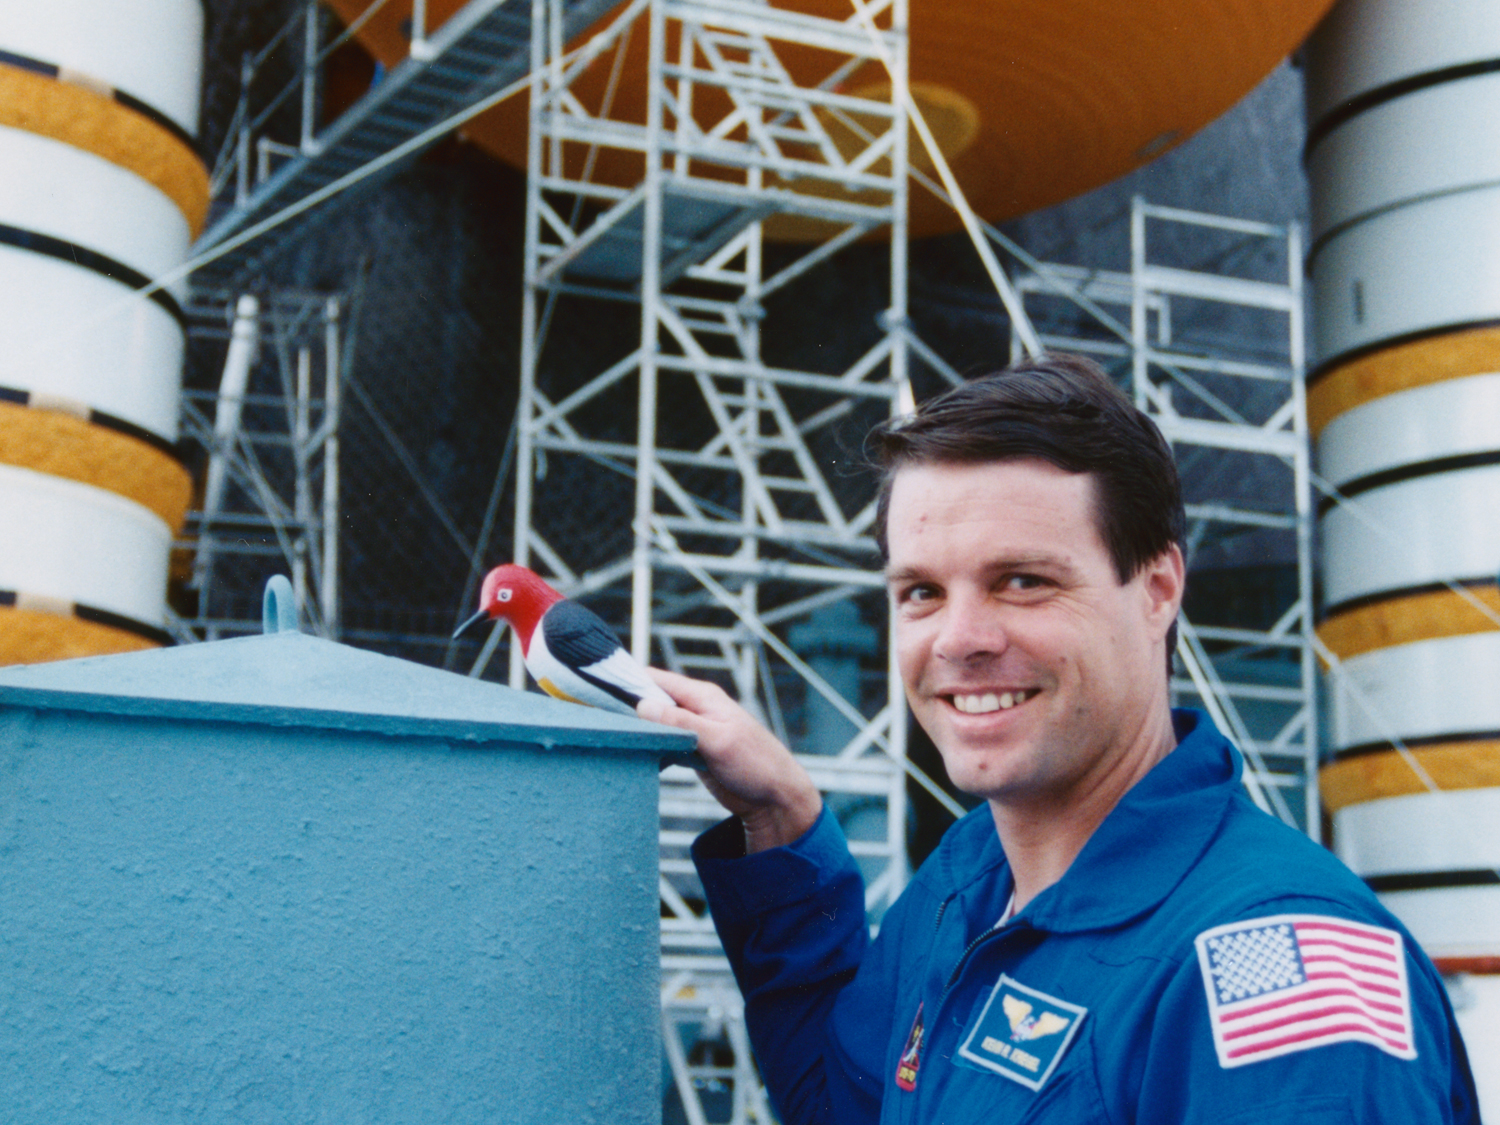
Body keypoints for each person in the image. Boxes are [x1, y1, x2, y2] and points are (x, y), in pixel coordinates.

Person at [637, 353, 1480, 1124]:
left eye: (1024, 581)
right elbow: (844, 1104)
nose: (959, 638)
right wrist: (782, 825)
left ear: (1157, 589)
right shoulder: (966, 882)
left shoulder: (1276, 969)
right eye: (922, 592)